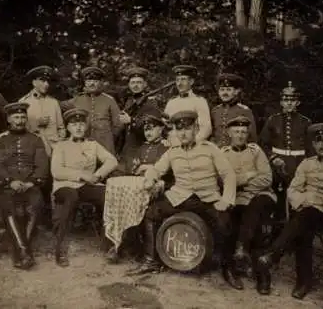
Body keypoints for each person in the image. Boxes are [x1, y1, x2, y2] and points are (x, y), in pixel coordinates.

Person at [127, 110, 236, 275]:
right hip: (180, 197)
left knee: (225, 221)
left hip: (207, 198)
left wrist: (226, 200)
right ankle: (151, 261)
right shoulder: (173, 151)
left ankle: (227, 268)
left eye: (187, 128)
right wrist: (150, 179)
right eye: (179, 129)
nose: (183, 133)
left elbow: (228, 174)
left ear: (196, 128)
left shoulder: (210, 149)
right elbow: (156, 169)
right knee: (150, 214)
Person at [257, 123, 323, 299]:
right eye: (317, 142)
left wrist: (320, 201)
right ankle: (303, 282)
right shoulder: (306, 164)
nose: (321, 146)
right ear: (313, 145)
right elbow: (292, 191)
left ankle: (274, 255)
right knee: (305, 224)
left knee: (305, 217)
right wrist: (304, 202)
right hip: (306, 213)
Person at [50, 108, 118, 267]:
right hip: (64, 186)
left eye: (81, 124)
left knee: (107, 194)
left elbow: (112, 161)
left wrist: (98, 175)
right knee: (71, 197)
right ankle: (60, 248)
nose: (79, 127)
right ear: (68, 128)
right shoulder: (61, 146)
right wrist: (82, 175)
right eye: (74, 124)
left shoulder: (93, 145)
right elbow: (57, 172)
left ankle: (110, 244)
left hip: (86, 186)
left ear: (86, 126)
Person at [105, 108, 172, 264]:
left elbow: (169, 173)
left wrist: (148, 168)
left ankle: (138, 248)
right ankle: (117, 243)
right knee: (120, 201)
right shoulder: (141, 148)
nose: (148, 132)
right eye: (145, 129)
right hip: (137, 188)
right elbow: (132, 168)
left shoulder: (167, 148)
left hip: (158, 188)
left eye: (153, 128)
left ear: (161, 128)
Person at [221, 116, 277, 295]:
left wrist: (239, 184)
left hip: (260, 196)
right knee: (231, 222)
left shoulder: (256, 151)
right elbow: (221, 180)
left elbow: (266, 178)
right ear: (229, 133)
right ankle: (232, 267)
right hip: (237, 199)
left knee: (256, 209)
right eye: (236, 132)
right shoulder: (223, 154)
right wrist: (246, 178)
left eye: (244, 132)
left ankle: (261, 273)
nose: (240, 135)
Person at [0, 102, 49, 270]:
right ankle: (24, 251)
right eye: (16, 117)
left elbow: (42, 164)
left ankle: (22, 251)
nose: (20, 120)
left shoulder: (35, 139)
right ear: (9, 119)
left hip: (30, 184)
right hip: (8, 185)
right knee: (9, 207)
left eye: (23, 117)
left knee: (36, 206)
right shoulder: (0, 140)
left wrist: (32, 182)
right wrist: (10, 181)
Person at [259, 81, 312, 199]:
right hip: (277, 163)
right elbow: (263, 143)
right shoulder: (273, 120)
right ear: (281, 102)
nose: (289, 103)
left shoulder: (306, 122)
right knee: (278, 195)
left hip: (299, 163)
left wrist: (306, 164)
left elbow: (310, 148)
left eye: (292, 101)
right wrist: (273, 158)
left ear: (298, 102)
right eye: (286, 100)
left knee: (298, 195)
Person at [60, 66, 123, 155]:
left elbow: (118, 124)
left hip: (105, 144)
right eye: (89, 81)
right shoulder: (77, 100)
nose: (92, 84)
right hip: (84, 144)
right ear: (84, 83)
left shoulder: (109, 100)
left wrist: (109, 137)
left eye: (95, 81)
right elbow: (58, 105)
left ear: (100, 83)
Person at [19, 65, 66, 156]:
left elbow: (61, 128)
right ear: (34, 82)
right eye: (43, 81)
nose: (46, 84)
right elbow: (19, 128)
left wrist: (60, 144)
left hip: (54, 150)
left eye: (48, 81)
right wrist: (36, 124)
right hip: (33, 149)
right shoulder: (23, 102)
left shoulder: (54, 102)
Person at [116, 66, 161, 157]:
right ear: (129, 85)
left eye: (139, 82)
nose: (135, 85)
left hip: (143, 149)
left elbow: (152, 129)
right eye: (133, 82)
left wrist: (131, 121)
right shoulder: (129, 101)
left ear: (145, 84)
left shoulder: (151, 103)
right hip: (127, 150)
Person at [164, 65, 212, 147]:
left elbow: (206, 129)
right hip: (173, 147)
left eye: (183, 79)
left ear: (191, 81)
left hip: (193, 146)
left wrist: (193, 143)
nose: (179, 83)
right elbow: (164, 127)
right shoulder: (171, 103)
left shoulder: (199, 101)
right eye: (177, 80)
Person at [210, 73, 258, 148]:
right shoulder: (215, 111)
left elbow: (252, 138)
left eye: (229, 90)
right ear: (218, 92)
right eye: (222, 90)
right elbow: (212, 134)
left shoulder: (244, 111)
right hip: (217, 153)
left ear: (236, 91)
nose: (225, 93)